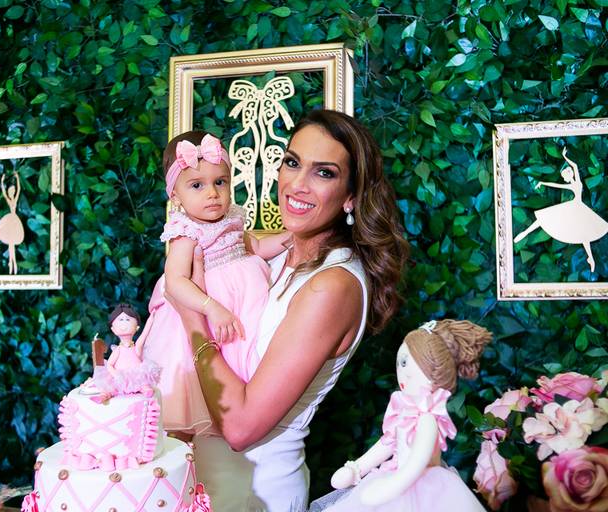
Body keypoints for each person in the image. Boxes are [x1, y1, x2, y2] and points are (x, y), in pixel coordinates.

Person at [168, 109, 410, 511]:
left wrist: (193, 319)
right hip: (204, 484)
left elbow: (241, 427)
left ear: (351, 196)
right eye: (293, 163)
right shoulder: (276, 259)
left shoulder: (332, 286)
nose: (297, 184)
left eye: (324, 173)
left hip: (256, 493)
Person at [142, 132, 291, 436]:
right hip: (208, 308)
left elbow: (257, 248)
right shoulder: (185, 232)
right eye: (197, 185)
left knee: (243, 356)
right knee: (195, 378)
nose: (212, 193)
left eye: (220, 182)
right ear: (175, 196)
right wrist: (211, 307)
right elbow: (175, 282)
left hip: (242, 305)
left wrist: (294, 237)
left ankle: (243, 408)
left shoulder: (232, 219)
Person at [314, 320, 491, 512]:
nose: (401, 372)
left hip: (422, 490)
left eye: (405, 363)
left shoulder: (427, 419)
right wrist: (356, 468)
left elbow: (418, 461)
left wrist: (393, 485)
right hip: (392, 477)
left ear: (433, 371)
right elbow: (387, 444)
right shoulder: (403, 411)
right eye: (400, 363)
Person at [513, 147, 608, 272]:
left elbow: (574, 167)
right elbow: (556, 185)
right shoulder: (572, 184)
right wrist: (543, 183)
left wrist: (565, 157)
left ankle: (590, 258)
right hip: (573, 206)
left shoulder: (577, 183)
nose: (564, 179)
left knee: (584, 234)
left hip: (577, 208)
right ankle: (525, 233)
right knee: (550, 220)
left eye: (565, 177)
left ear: (570, 175)